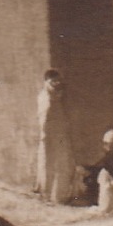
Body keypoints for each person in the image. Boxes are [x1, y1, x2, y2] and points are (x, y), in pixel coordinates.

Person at [34, 69, 75, 204]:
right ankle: (48, 194)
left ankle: (57, 195)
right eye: (53, 81)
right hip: (49, 136)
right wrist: (45, 134)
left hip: (59, 135)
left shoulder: (56, 96)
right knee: (49, 164)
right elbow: (44, 117)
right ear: (46, 81)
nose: (56, 83)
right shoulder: (45, 97)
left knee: (60, 163)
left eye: (58, 81)